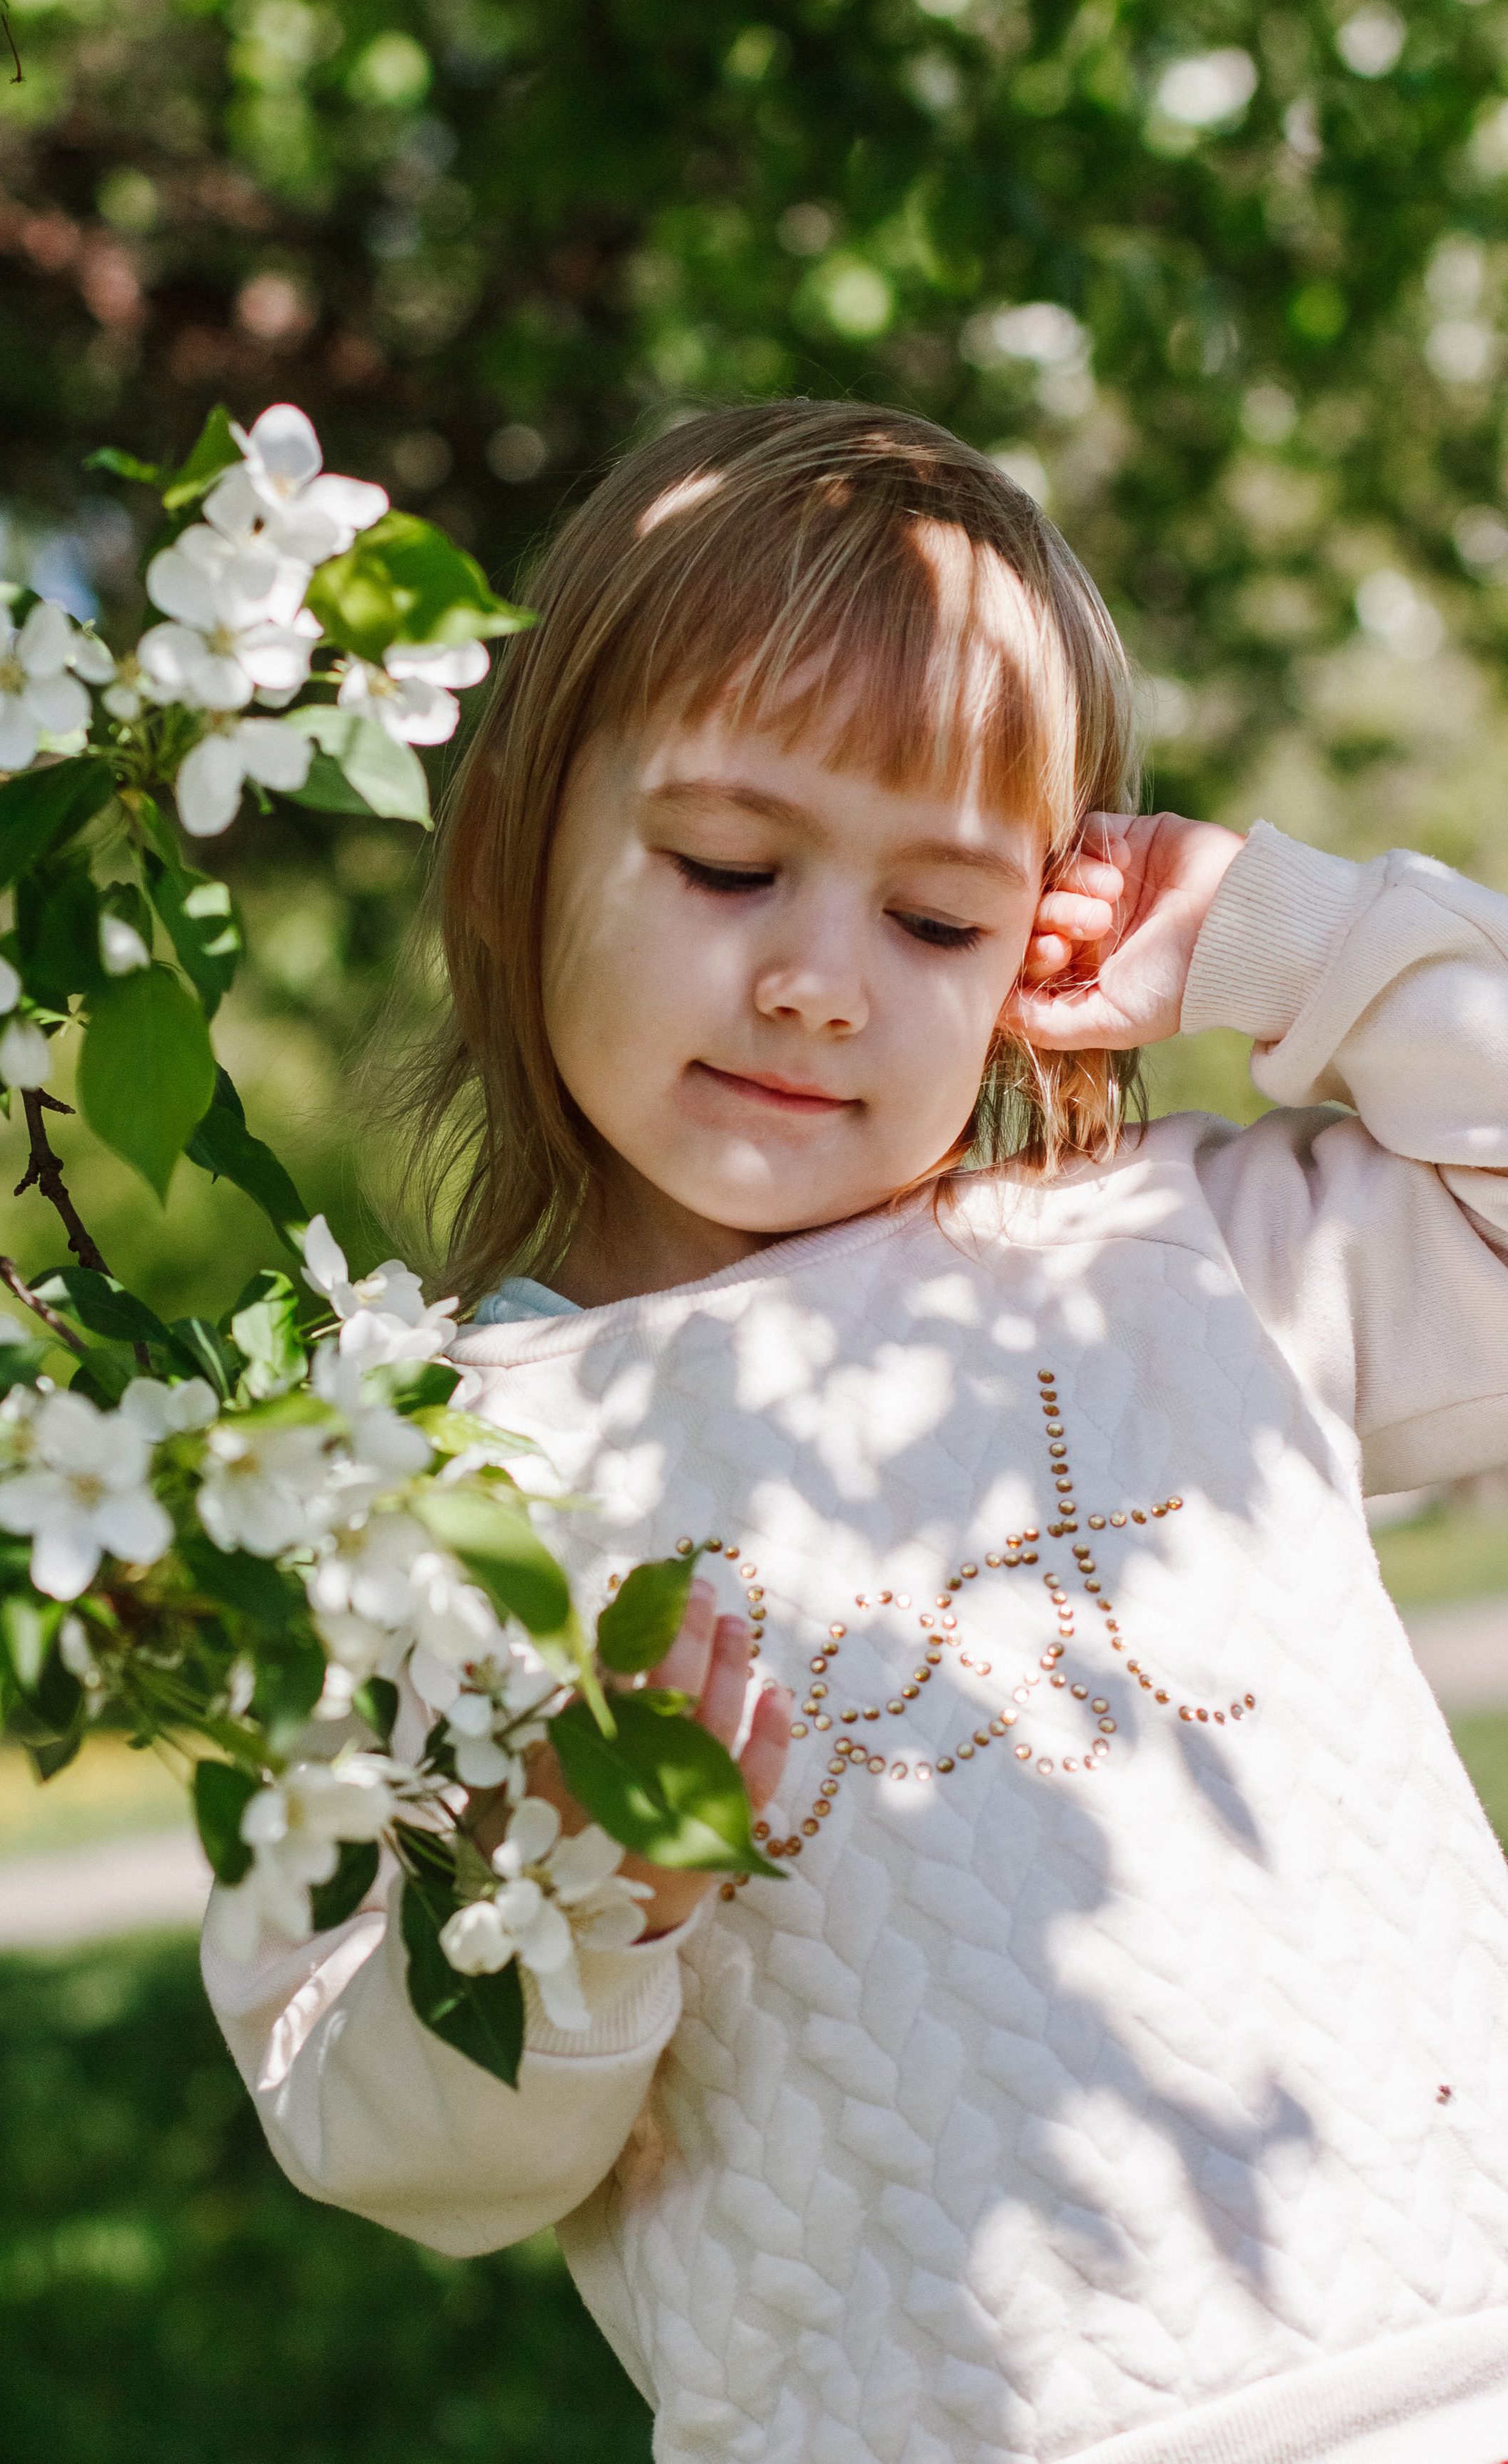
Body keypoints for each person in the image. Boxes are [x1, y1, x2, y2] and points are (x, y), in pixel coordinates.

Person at [204, 401, 1508, 2462]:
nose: (821, 982)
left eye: (935, 920)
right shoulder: (409, 1487)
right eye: (730, 865)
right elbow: (377, 2120)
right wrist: (572, 1894)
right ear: (523, 836)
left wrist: (1293, 940)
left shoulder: (1184, 1261)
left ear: (1041, 945)